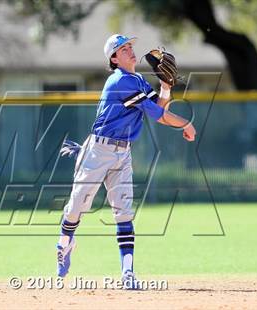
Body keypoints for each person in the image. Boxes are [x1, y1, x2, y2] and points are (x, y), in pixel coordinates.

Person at [56, 34, 196, 289]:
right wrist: (186, 124)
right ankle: (65, 244)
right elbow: (161, 117)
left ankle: (128, 273)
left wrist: (165, 86)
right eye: (124, 48)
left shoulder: (139, 81)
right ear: (114, 58)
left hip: (123, 153)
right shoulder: (120, 81)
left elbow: (159, 106)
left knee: (123, 212)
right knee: (76, 208)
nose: (131, 51)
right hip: (98, 151)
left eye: (131, 46)